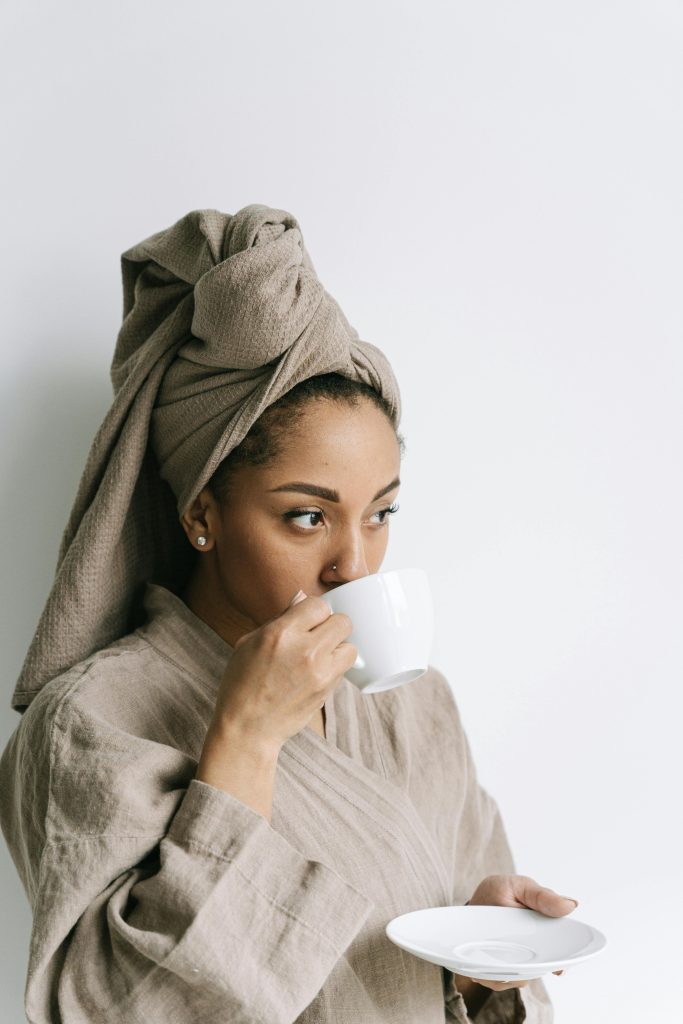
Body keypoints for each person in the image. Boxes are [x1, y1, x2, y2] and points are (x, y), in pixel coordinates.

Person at [0, 204, 573, 1023]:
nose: (354, 564)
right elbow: (113, 1009)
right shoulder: (90, 722)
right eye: (306, 516)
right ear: (203, 513)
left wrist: (476, 974)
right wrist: (245, 741)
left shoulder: (417, 705)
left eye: (380, 513)